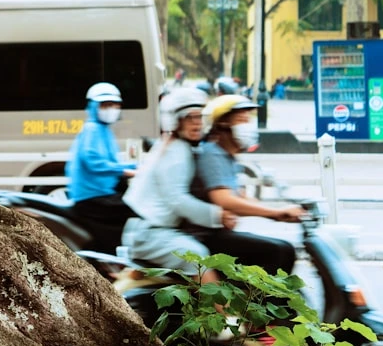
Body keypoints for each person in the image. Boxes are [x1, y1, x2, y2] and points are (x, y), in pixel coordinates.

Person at [122, 87, 233, 282]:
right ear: (176, 120)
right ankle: (222, 314)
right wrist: (217, 215)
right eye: (190, 118)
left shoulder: (172, 145)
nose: (197, 124)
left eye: (200, 117)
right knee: (200, 259)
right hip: (150, 234)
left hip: (148, 230)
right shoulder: (176, 152)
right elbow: (178, 199)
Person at [189, 95, 306, 274]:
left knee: (282, 248)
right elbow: (224, 200)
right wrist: (275, 213)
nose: (248, 126)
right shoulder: (212, 154)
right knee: (280, 251)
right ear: (223, 124)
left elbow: (241, 198)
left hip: (217, 233)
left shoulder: (227, 157)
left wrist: (284, 210)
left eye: (248, 120)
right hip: (204, 237)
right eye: (242, 120)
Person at [66, 82, 137, 252]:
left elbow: (111, 162)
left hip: (101, 194)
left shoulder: (102, 129)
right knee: (136, 210)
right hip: (92, 196)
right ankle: (118, 258)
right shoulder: (92, 129)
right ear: (94, 107)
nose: (111, 109)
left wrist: (138, 166)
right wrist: (126, 170)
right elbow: (93, 162)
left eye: (114, 105)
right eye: (105, 105)